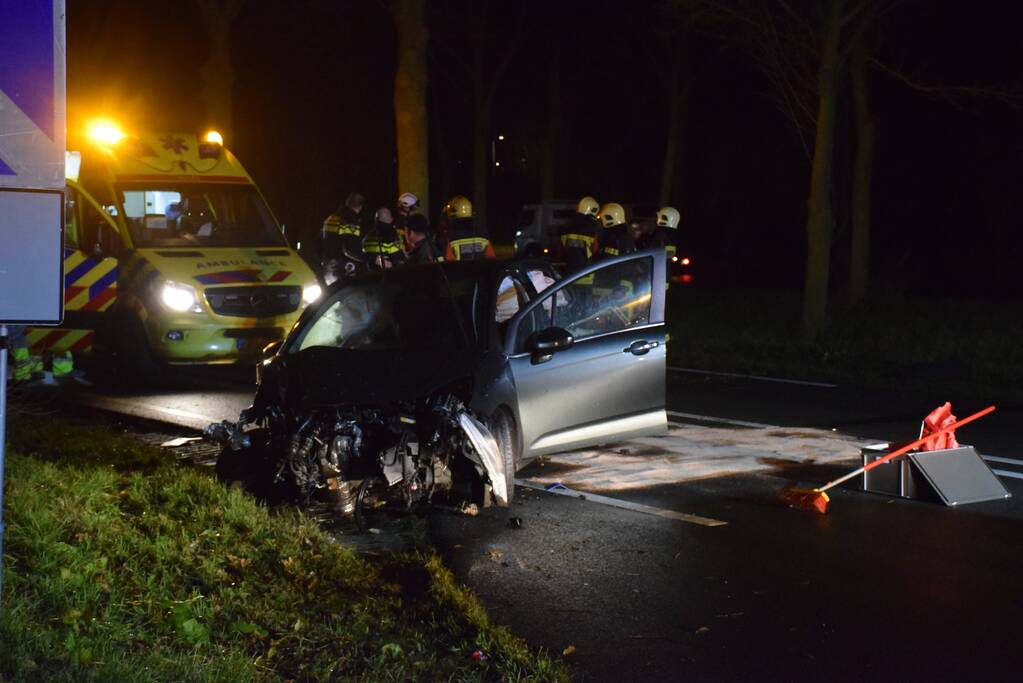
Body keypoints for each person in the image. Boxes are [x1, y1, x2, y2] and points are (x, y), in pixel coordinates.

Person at [321, 191, 368, 285]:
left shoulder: (331, 218)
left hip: (328, 266)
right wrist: (367, 259)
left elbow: (320, 242)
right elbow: (349, 248)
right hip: (343, 268)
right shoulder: (349, 219)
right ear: (360, 206)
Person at [443, 195, 496, 261]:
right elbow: (491, 258)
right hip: (481, 271)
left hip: (460, 271)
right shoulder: (482, 234)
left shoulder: (451, 236)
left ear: (452, 216)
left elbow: (449, 262)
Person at [558, 196, 603, 273]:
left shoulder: (568, 225)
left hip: (569, 274)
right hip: (586, 271)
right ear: (594, 210)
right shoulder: (594, 226)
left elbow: (560, 250)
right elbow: (596, 248)